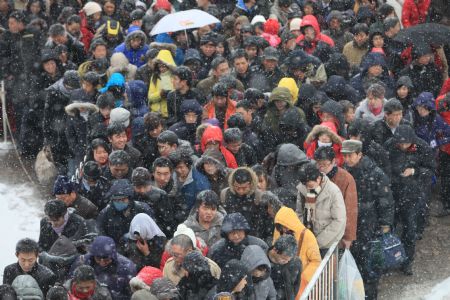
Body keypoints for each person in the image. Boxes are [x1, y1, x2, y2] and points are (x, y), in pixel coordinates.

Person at [341, 140, 394, 299]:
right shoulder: (344, 172)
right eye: (345, 156)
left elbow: (386, 200)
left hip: (369, 224)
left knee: (370, 263)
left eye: (350, 155)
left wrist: (385, 224)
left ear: (359, 154)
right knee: (354, 261)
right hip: (351, 223)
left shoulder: (375, 173)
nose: (347, 159)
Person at [384, 125, 435, 275]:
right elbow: (384, 166)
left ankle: (407, 261)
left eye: (406, 143)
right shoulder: (389, 145)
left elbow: (431, 169)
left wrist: (414, 171)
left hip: (413, 195)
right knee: (389, 227)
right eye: (400, 143)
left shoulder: (422, 147)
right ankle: (388, 258)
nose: (402, 146)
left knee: (409, 230)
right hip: (393, 194)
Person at [296, 162, 346, 252]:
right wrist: (304, 234)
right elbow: (299, 213)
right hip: (306, 240)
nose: (308, 189)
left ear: (318, 179)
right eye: (305, 186)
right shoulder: (302, 189)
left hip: (326, 244)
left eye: (310, 186)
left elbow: (339, 221)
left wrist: (317, 242)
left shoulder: (333, 192)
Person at [314, 147, 358, 249]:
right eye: (318, 164)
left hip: (336, 230)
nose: (321, 168)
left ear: (333, 161)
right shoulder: (314, 175)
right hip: (316, 227)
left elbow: (350, 209)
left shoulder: (345, 178)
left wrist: (348, 236)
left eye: (324, 165)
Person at [273, 207, 321, 297]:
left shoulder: (307, 236)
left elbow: (316, 261)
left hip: (299, 282)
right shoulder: (278, 232)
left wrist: (303, 278)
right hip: (282, 280)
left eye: (285, 227)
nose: (283, 230)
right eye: (280, 227)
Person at [70, 236, 136, 300]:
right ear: (93, 255)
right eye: (98, 259)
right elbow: (70, 284)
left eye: (106, 259)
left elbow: (130, 294)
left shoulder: (126, 267)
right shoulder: (82, 261)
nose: (102, 262)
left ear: (112, 256)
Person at [220, 167, 272, 239]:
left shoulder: (259, 196)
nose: (241, 191)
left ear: (251, 184)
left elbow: (264, 223)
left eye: (244, 188)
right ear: (232, 184)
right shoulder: (225, 194)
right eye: (237, 188)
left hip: (253, 237)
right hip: (231, 236)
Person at [96, 179, 154, 244]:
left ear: (129, 198)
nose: (120, 202)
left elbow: (153, 232)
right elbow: (100, 234)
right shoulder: (105, 213)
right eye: (116, 200)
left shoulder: (142, 209)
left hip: (140, 249)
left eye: (123, 199)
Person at [267, 235, 302, 300]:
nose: (286, 261)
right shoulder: (263, 262)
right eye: (283, 259)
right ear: (275, 250)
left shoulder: (295, 262)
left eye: (289, 259)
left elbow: (296, 284)